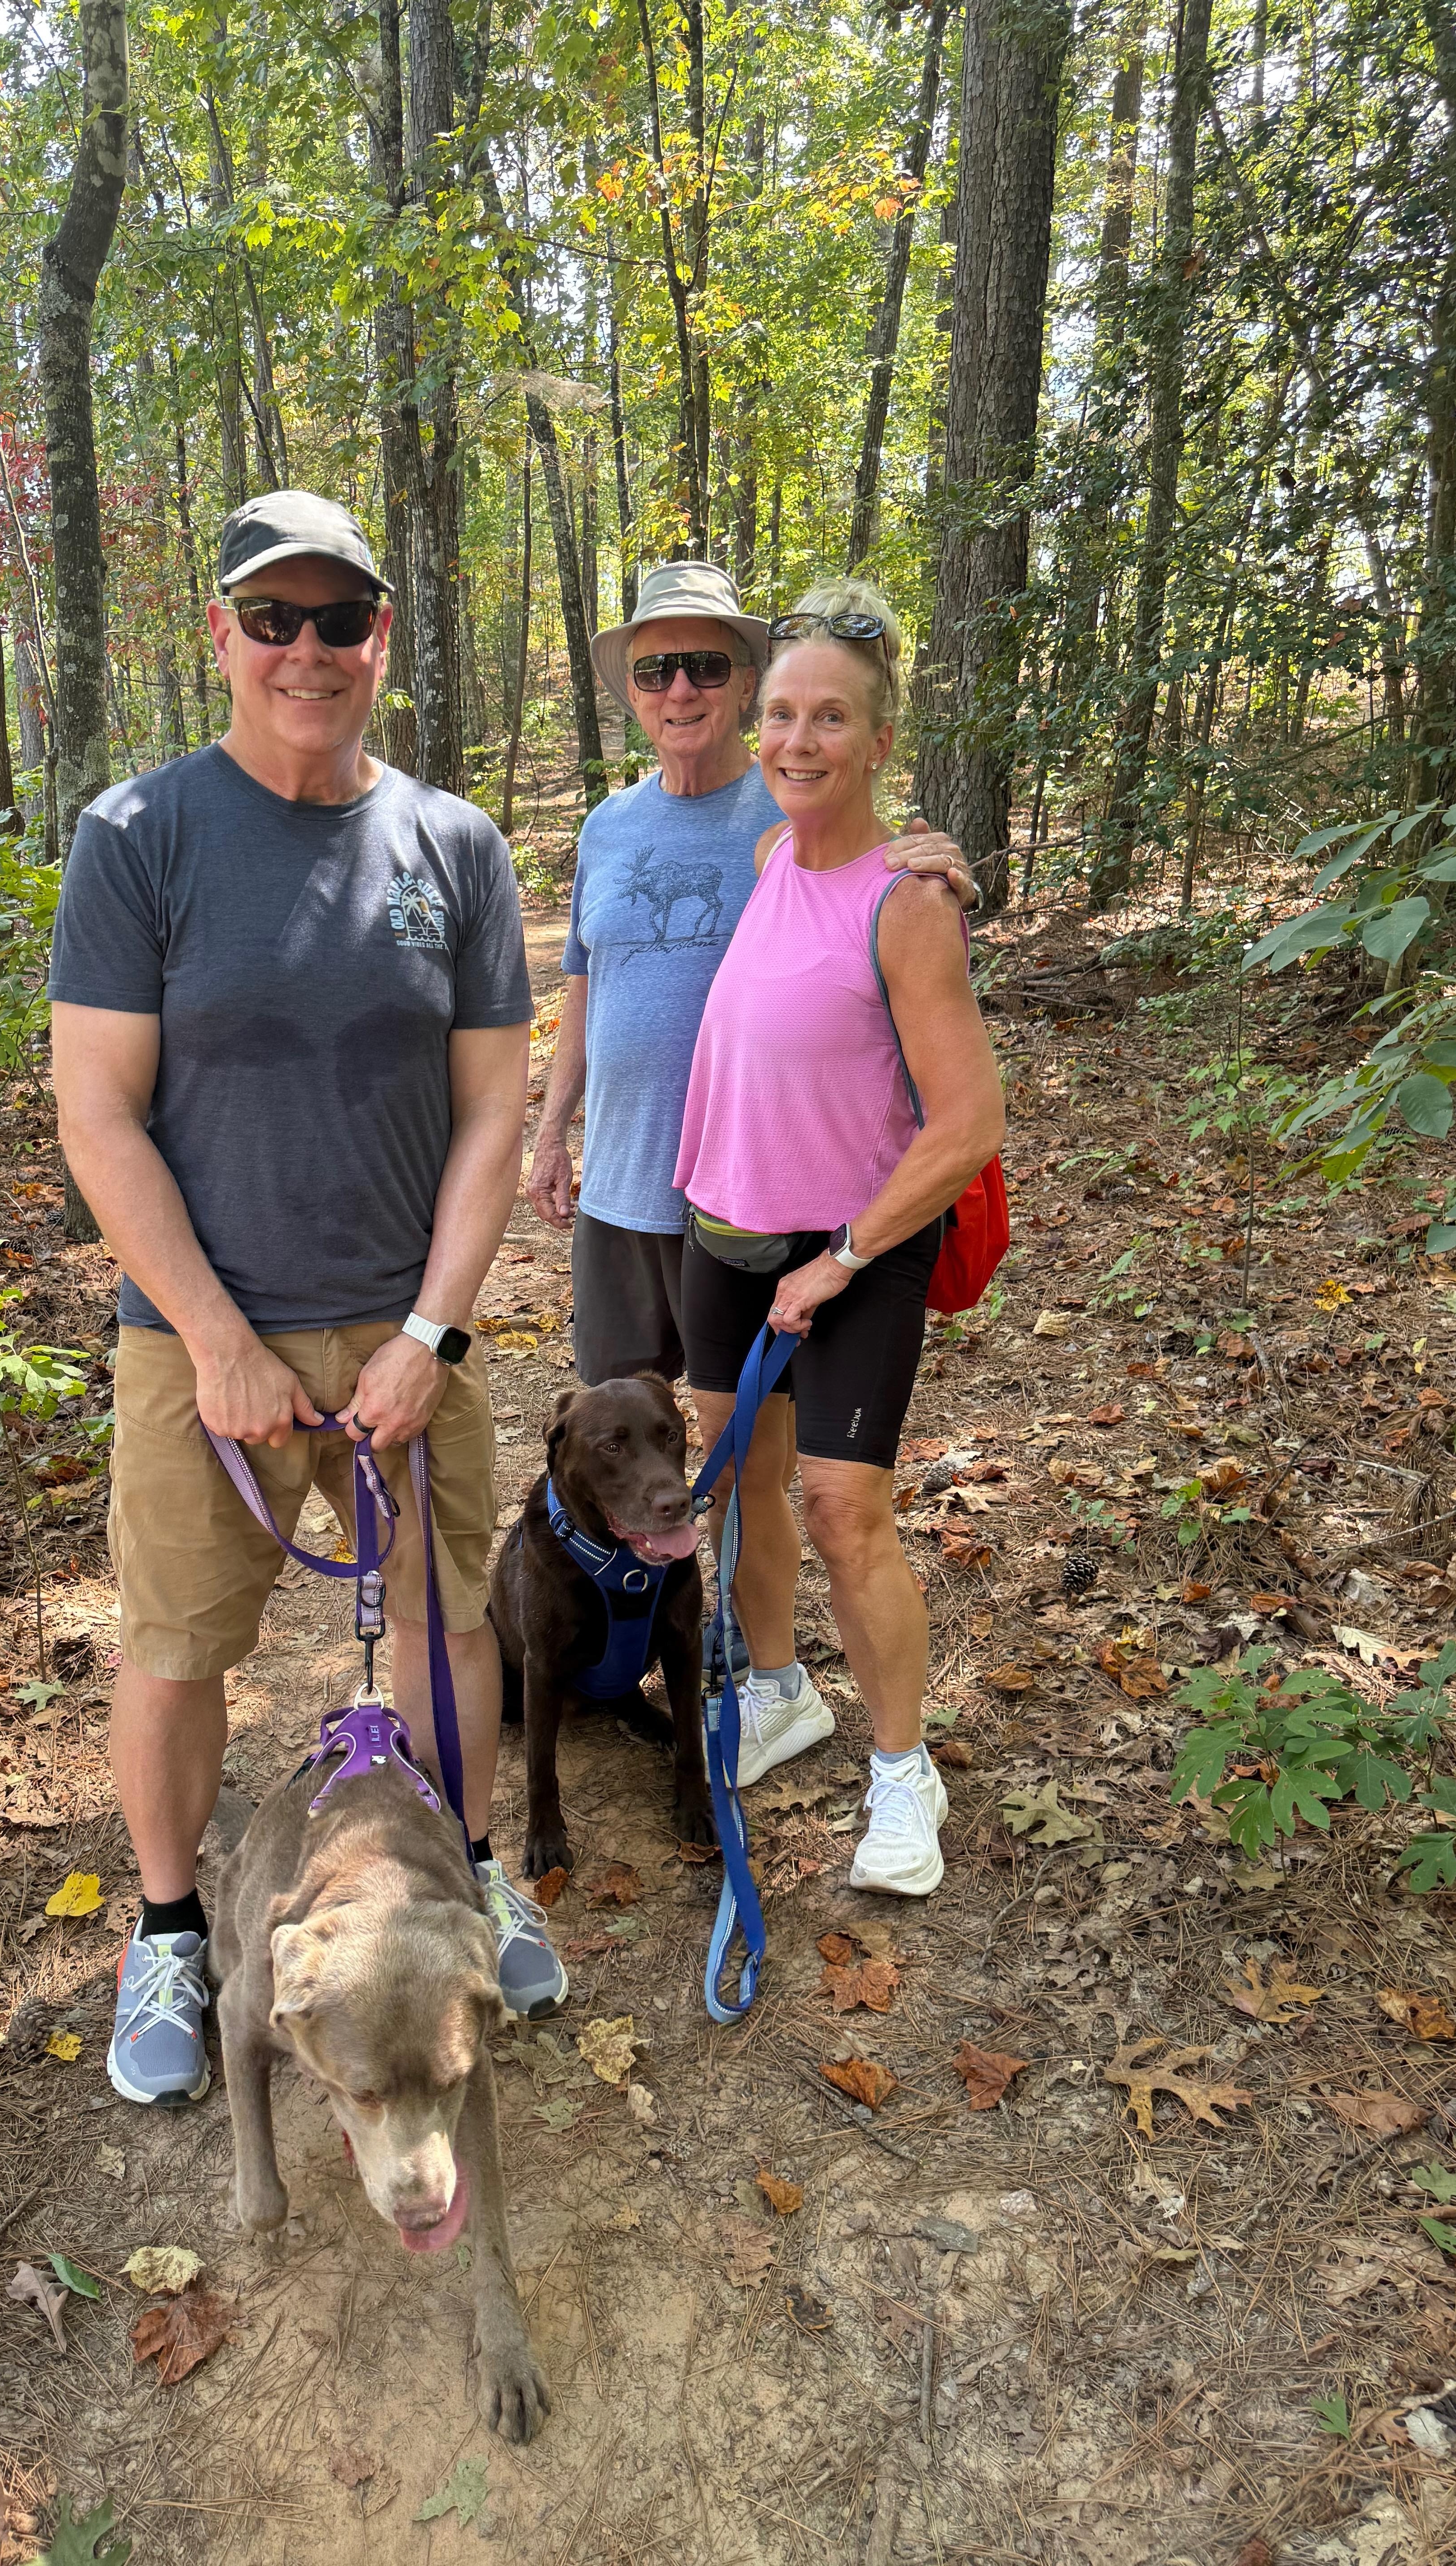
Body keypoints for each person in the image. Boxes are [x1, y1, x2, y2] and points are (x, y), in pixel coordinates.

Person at [50, 490, 568, 2108]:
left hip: (400, 1332)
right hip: (192, 1339)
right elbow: (96, 1111)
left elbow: (494, 1104)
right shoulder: (140, 839)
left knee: (445, 1624)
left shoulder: (453, 847)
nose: (304, 650)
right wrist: (211, 1338)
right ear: (221, 636)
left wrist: (430, 1333)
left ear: (380, 641)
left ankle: (467, 1874)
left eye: (336, 620)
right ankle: (171, 1929)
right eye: (270, 619)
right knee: (176, 1644)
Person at [525, 560, 975, 1786]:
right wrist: (549, 1126)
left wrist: (937, 860)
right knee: (656, 1461)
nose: (680, 688)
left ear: (739, 681)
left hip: (782, 1209)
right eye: (653, 667)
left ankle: (839, 1728)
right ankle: (649, 1654)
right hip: (644, 1195)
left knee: (792, 1484)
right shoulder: (628, 828)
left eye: (707, 666)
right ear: (626, 685)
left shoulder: (788, 824)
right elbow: (585, 985)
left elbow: (877, 888)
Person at [672, 577, 1005, 1897]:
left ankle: (900, 1773)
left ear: (878, 743)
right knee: (739, 1475)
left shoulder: (910, 901)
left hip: (852, 1243)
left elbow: (966, 1122)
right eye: (779, 716)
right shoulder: (767, 856)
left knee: (842, 1509)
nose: (794, 741)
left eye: (829, 720)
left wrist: (845, 1257)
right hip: (726, 1228)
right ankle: (774, 1690)